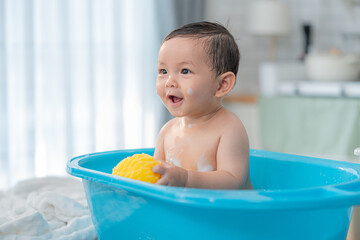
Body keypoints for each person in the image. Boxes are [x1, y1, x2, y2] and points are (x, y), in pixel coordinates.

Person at [153, 21, 252, 189]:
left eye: (185, 71)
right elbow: (156, 176)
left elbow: (233, 180)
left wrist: (185, 179)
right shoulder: (167, 132)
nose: (169, 81)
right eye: (163, 71)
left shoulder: (229, 128)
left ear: (221, 85)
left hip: (230, 212)